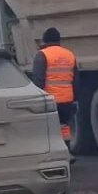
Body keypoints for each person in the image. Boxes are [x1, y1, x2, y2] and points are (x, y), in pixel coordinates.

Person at [31, 27, 78, 162]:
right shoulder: (69, 54)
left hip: (50, 99)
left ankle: (50, 156)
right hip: (67, 99)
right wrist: (75, 99)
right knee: (64, 127)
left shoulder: (42, 55)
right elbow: (76, 79)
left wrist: (37, 97)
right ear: (59, 40)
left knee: (49, 128)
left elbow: (38, 79)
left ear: (45, 40)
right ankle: (67, 152)